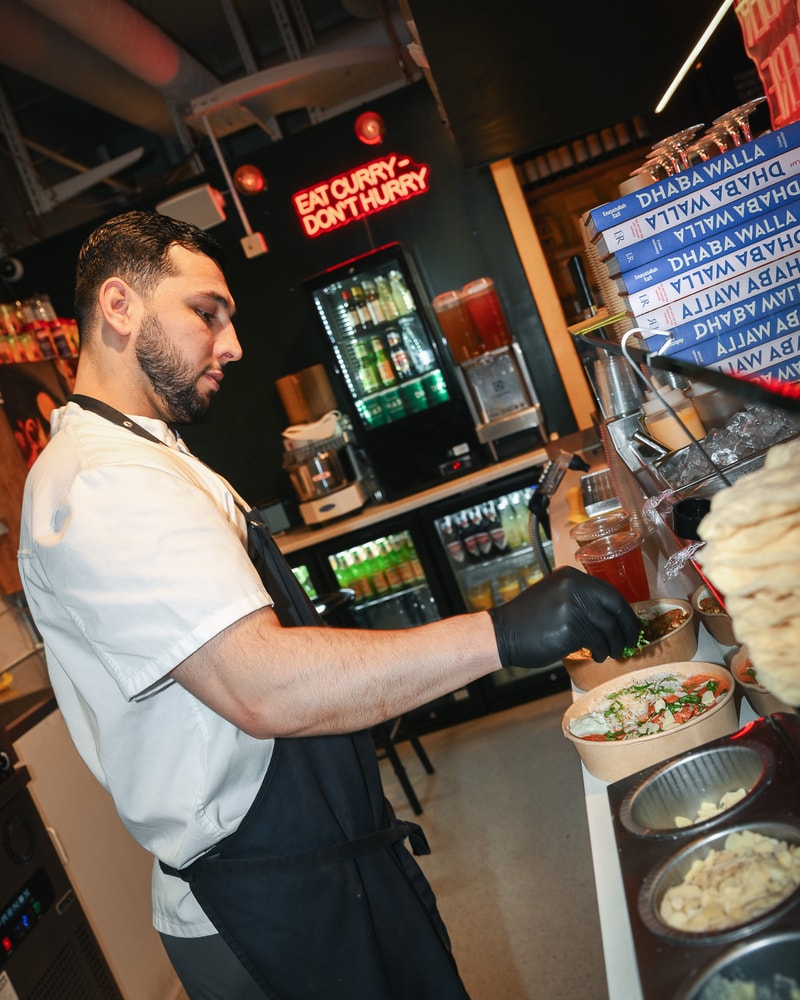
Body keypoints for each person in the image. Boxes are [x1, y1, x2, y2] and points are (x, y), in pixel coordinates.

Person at [17, 210, 639, 1000]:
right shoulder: (99, 482)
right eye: (207, 313)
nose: (234, 343)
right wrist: (502, 633)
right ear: (119, 306)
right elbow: (263, 685)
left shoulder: (145, 456)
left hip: (317, 860)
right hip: (266, 904)